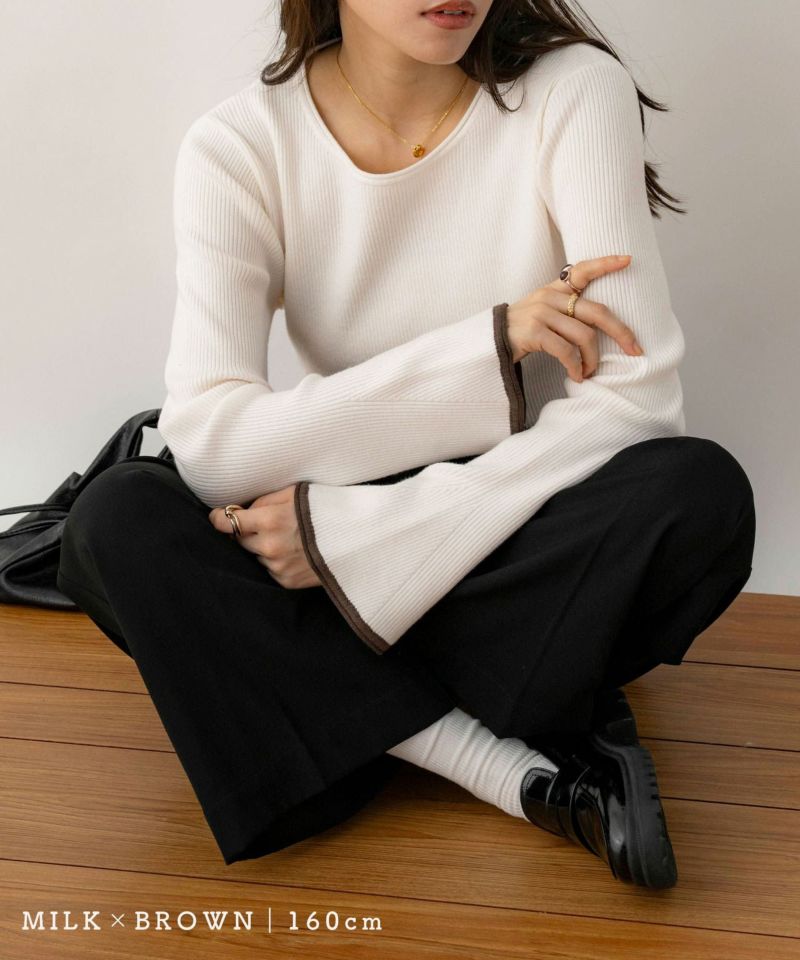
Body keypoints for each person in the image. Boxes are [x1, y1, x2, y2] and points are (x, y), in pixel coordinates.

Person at [56, 0, 756, 890]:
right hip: (366, 521)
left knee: (695, 496)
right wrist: (487, 348)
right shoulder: (240, 146)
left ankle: (334, 707)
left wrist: (355, 538)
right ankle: (506, 765)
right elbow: (211, 448)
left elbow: (638, 399)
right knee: (116, 520)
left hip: (513, 515)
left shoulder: (574, 89)